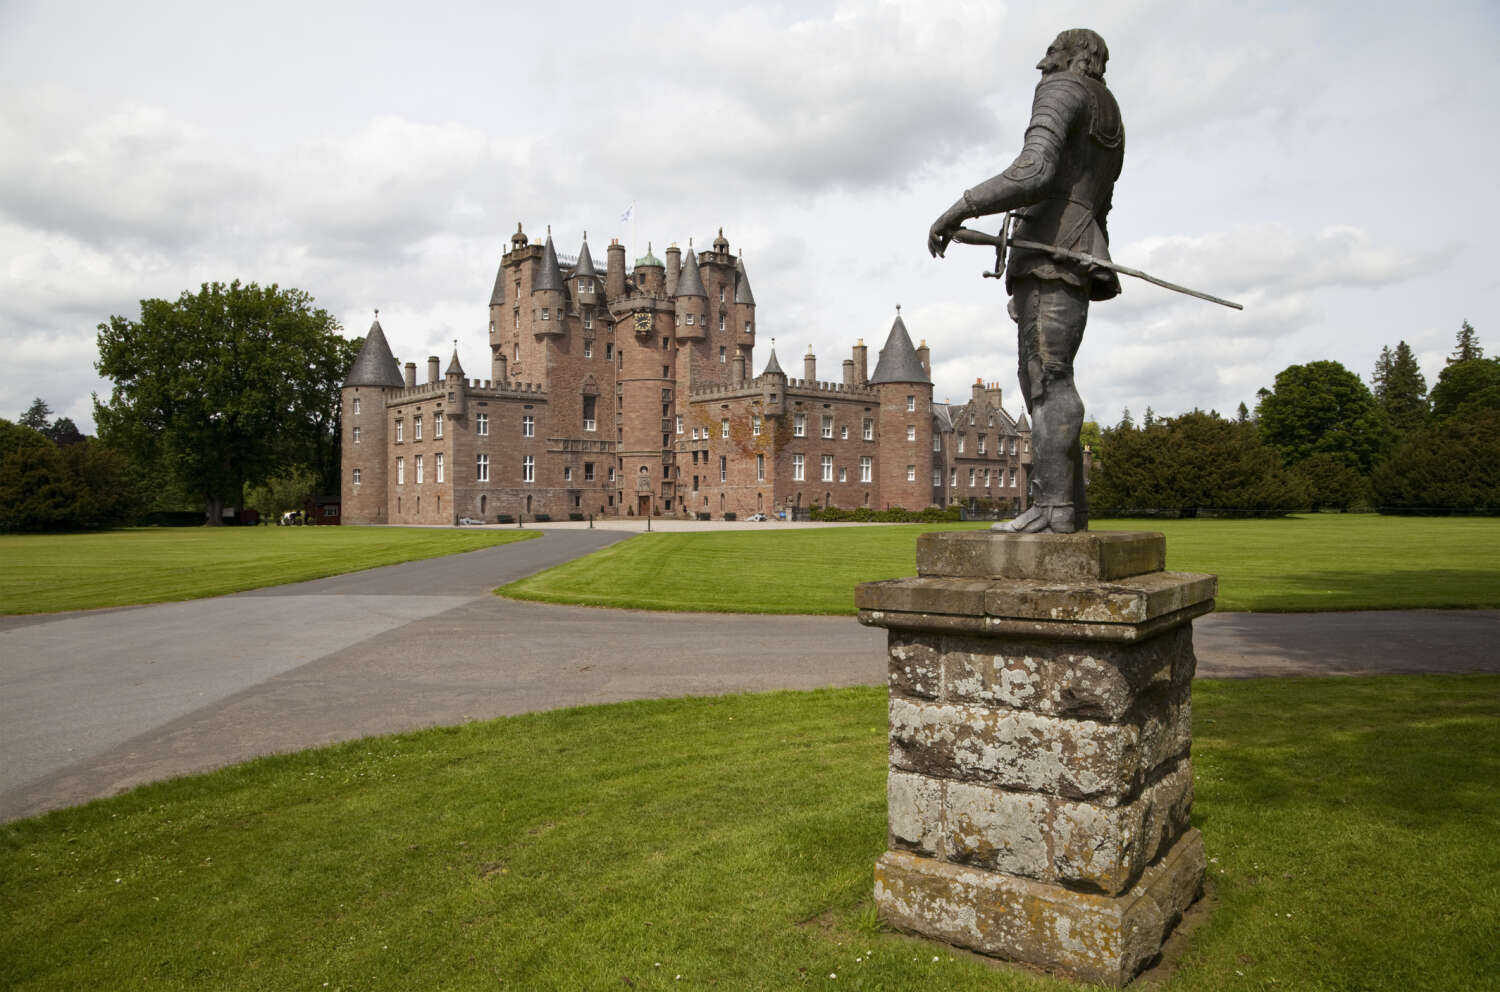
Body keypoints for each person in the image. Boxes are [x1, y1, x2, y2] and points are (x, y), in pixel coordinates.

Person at [927, 28, 1123, 534]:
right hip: (1077, 250)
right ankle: (1070, 510)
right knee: (1052, 377)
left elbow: (1033, 170)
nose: (1043, 63)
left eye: (1053, 53)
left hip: (1050, 254)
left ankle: (1052, 507)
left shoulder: (1063, 91)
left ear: (1077, 58)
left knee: (1046, 379)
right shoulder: (1112, 112)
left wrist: (960, 207)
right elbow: (1101, 204)